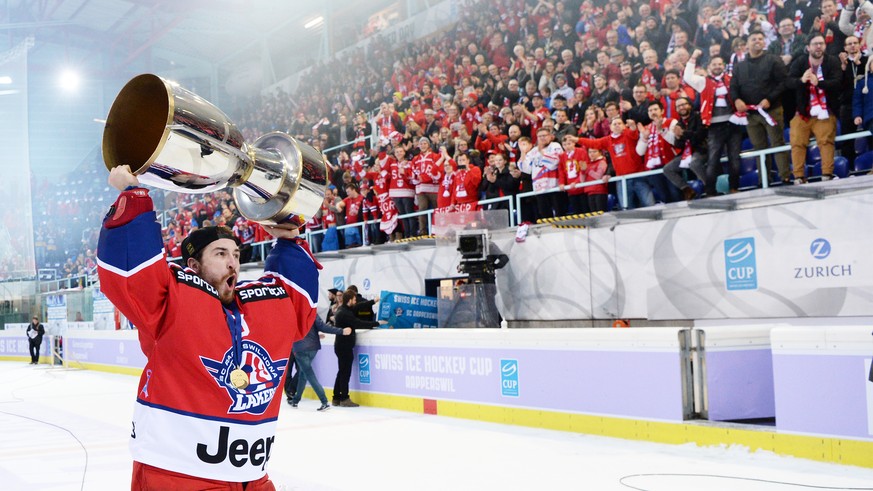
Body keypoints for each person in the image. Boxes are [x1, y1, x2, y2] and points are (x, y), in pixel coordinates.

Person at [97, 165, 318, 489]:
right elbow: (132, 275)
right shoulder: (171, 303)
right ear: (193, 265)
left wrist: (288, 241)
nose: (232, 262)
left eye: (236, 254)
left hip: (252, 480)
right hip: (177, 479)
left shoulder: (261, 308)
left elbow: (298, 300)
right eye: (220, 253)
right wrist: (133, 196)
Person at [730, 31, 791, 185]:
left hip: (772, 110)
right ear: (747, 44)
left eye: (760, 38)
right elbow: (734, 87)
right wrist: (737, 100)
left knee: (777, 143)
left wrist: (770, 99)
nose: (757, 41)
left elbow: (783, 83)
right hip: (750, 115)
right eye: (753, 39)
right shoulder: (739, 66)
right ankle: (764, 179)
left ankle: (785, 176)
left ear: (764, 42)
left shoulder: (773, 60)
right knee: (759, 147)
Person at [684, 50, 743, 194]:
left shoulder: (731, 78)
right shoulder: (703, 81)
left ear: (723, 65)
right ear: (709, 66)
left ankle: (734, 188)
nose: (717, 66)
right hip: (715, 126)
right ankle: (710, 191)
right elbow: (687, 77)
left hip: (733, 123)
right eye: (714, 64)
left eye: (720, 64)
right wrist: (693, 58)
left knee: (734, 158)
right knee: (713, 159)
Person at [785, 33, 841, 183]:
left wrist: (819, 84)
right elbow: (788, 82)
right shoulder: (799, 62)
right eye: (815, 44)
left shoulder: (832, 61)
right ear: (808, 47)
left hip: (825, 110)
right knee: (796, 142)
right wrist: (801, 80)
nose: (818, 46)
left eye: (821, 43)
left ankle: (827, 174)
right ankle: (798, 177)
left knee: (825, 141)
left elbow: (837, 82)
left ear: (825, 46)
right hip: (803, 111)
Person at [332, 290, 383, 407]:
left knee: (341, 372)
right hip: (344, 347)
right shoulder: (344, 313)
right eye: (354, 300)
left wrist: (373, 301)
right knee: (345, 373)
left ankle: (336, 397)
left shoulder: (345, 309)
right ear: (349, 300)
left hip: (342, 346)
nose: (355, 302)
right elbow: (358, 323)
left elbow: (360, 306)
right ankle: (344, 398)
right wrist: (377, 323)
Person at [289, 317, 351, 411]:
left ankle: (324, 401)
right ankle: (295, 400)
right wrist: (341, 331)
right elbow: (322, 326)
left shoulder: (293, 313)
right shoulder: (311, 311)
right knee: (303, 374)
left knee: (309, 374)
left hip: (300, 348)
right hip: (313, 347)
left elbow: (288, 331)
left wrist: (341, 331)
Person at [662, 96, 709, 200]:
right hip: (687, 153)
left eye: (683, 104)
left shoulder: (698, 116)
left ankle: (709, 187)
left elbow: (700, 136)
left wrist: (683, 133)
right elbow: (679, 145)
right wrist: (678, 137)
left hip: (702, 149)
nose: (681, 107)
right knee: (667, 169)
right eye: (678, 106)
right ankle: (687, 190)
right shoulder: (679, 123)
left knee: (694, 163)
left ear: (689, 105)